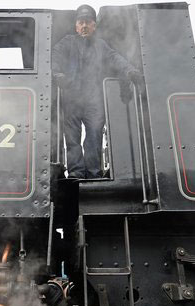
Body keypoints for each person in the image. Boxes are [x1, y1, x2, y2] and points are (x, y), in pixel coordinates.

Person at [52, 4, 144, 179]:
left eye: (88, 22)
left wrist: (129, 70)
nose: (84, 26)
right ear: (76, 26)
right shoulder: (67, 42)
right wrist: (57, 74)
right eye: (81, 22)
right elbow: (54, 57)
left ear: (94, 26)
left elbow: (115, 59)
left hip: (94, 99)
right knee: (72, 139)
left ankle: (94, 173)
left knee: (94, 137)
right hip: (72, 98)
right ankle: (76, 173)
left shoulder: (101, 45)